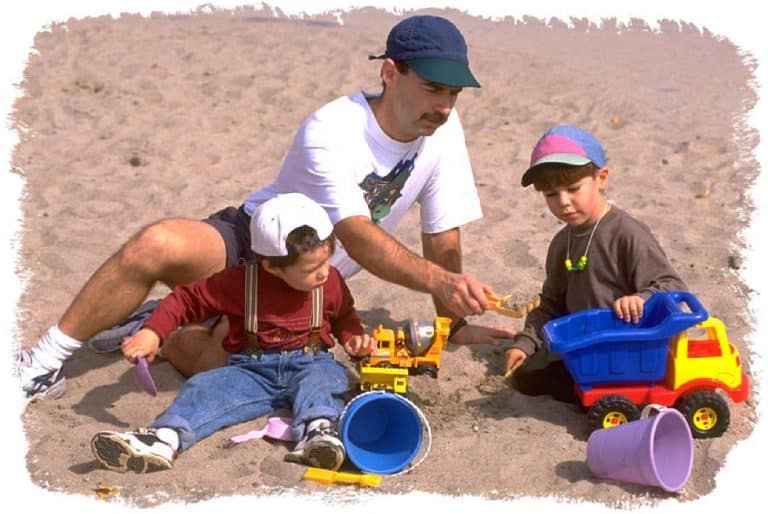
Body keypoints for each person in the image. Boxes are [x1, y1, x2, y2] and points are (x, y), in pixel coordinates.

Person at [18, 14, 517, 401]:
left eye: (453, 93)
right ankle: (41, 363)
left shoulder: (444, 132)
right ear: (390, 73)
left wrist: (452, 318)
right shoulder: (332, 128)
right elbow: (358, 235)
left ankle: (159, 323)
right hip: (249, 244)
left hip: (304, 280)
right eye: (432, 89)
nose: (445, 106)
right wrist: (440, 281)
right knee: (156, 243)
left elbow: (444, 234)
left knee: (236, 374)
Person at [90, 193, 377, 473]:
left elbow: (343, 316)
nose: (324, 273)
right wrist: (153, 332)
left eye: (327, 261)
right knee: (204, 388)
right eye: (312, 268)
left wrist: (352, 337)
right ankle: (164, 438)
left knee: (327, 380)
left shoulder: (330, 282)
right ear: (272, 268)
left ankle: (319, 433)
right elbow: (187, 300)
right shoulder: (241, 282)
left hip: (309, 361)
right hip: (251, 370)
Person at [503, 125, 688, 403]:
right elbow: (551, 302)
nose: (563, 202)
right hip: (585, 346)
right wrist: (526, 343)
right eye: (551, 194)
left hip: (626, 348)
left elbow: (673, 287)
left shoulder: (627, 234)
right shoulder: (561, 243)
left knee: (592, 401)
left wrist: (641, 299)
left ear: (601, 178)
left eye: (573, 188)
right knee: (526, 377)